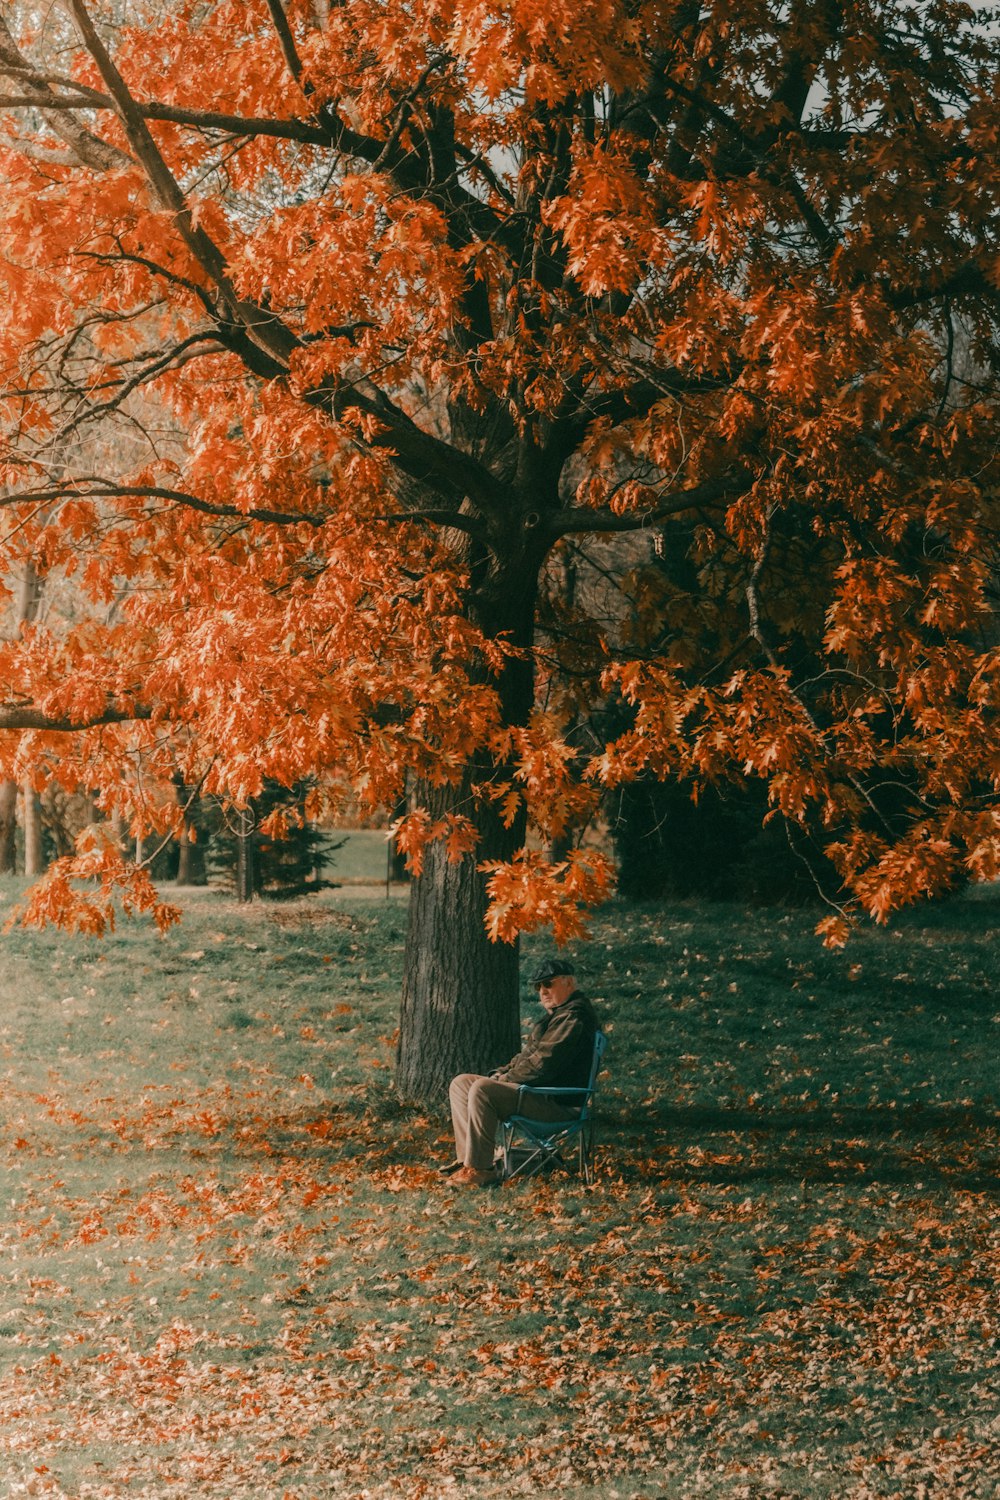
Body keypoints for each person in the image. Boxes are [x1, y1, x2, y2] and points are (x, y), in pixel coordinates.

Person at [442, 957, 600, 1188]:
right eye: (538, 986)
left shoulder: (573, 1017)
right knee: (461, 1083)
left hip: (558, 1104)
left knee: (482, 1089)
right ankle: (467, 1162)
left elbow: (543, 1064)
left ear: (568, 983)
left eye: (548, 984)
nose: (543, 991)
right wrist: (501, 1073)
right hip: (539, 1095)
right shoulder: (557, 1017)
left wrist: (503, 1080)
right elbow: (526, 1058)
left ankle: (482, 1170)